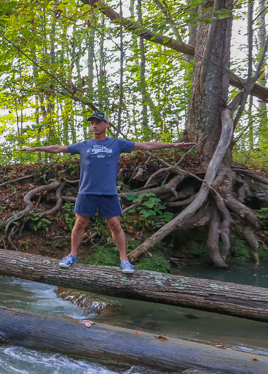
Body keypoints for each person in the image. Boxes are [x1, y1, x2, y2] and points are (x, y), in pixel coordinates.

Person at [22, 111, 195, 274]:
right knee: (80, 222)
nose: (94, 126)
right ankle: (72, 255)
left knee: (114, 224)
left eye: (98, 123)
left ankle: (124, 259)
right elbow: (59, 149)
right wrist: (37, 148)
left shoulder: (116, 144)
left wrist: (173, 144)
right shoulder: (84, 145)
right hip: (86, 191)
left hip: (108, 192)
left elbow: (146, 145)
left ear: (106, 124)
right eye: (92, 123)